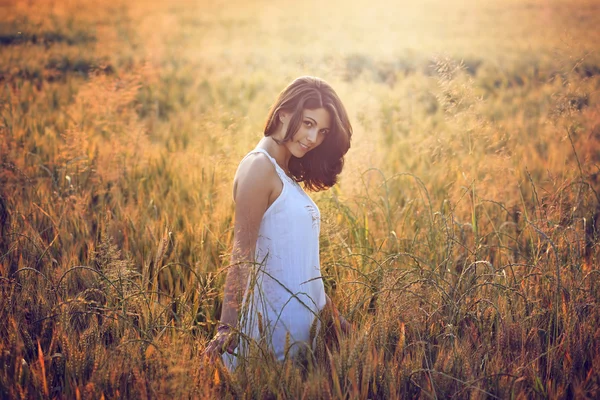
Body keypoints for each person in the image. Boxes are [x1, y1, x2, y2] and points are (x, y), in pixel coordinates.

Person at [204, 76, 353, 369]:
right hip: (272, 335)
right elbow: (242, 254)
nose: (313, 139)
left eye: (322, 131)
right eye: (308, 123)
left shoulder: (285, 175)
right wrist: (226, 327)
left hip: (306, 333)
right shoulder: (259, 168)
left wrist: (334, 320)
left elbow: (303, 267)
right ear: (283, 113)